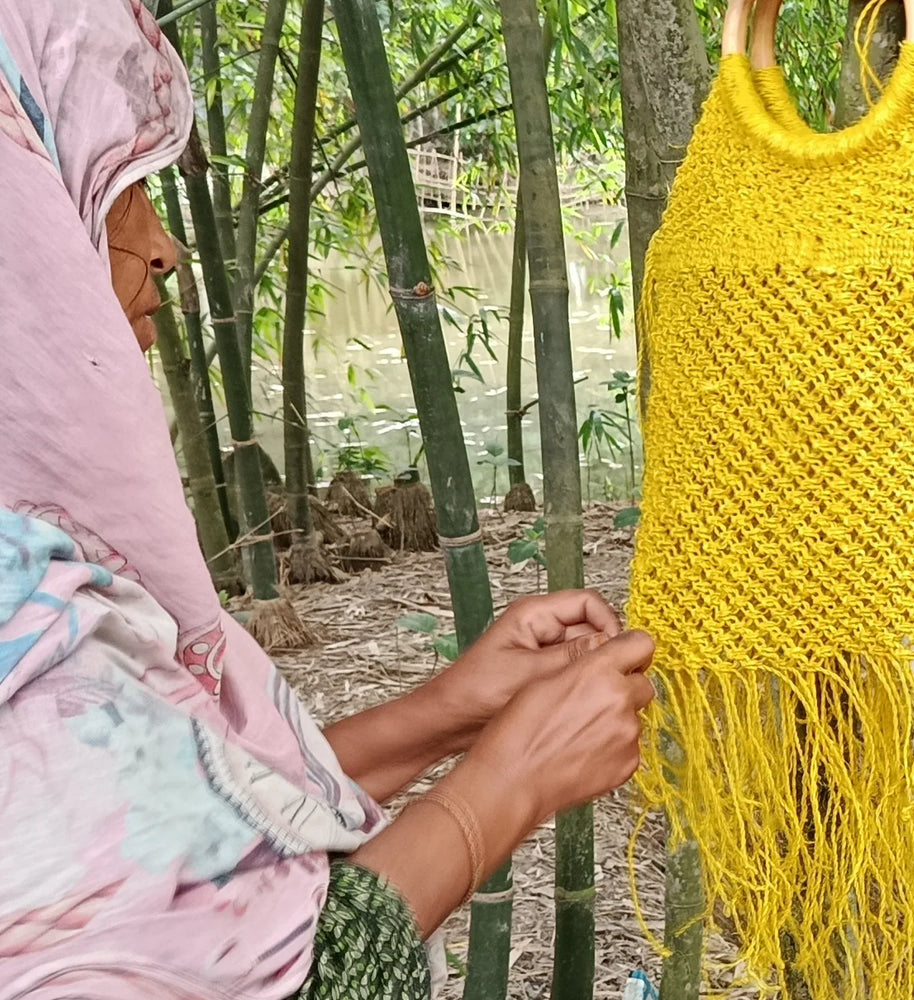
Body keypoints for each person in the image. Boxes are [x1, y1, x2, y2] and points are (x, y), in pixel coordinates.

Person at [0, 3, 655, 999]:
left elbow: (185, 848)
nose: (168, 246)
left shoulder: (38, 580)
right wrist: (503, 789)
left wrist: (447, 715)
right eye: (117, 187)